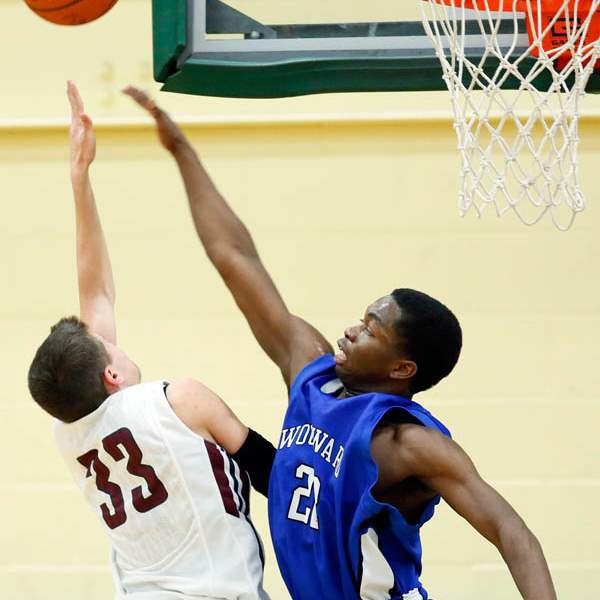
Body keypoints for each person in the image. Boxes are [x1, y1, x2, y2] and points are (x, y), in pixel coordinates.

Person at [125, 88, 558, 600]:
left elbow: (514, 533)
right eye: (361, 318)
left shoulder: (409, 445)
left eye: (372, 329)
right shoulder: (309, 368)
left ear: (402, 369)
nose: (352, 329)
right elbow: (234, 256)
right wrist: (181, 151)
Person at [27, 82, 274, 600]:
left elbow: (95, 293)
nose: (115, 341)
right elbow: (273, 473)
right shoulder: (178, 399)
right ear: (111, 375)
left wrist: (80, 178)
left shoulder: (68, 429)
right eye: (110, 348)